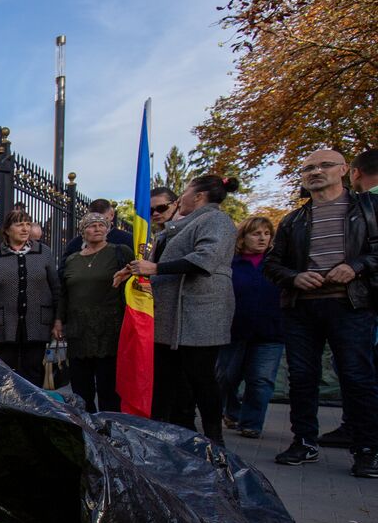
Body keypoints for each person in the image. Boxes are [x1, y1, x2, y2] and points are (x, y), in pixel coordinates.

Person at [262, 149, 378, 477]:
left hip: (351, 305)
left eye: (324, 165)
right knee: (301, 377)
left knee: (356, 376)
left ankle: (367, 448)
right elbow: (271, 264)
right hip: (302, 306)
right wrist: (294, 277)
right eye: (308, 168)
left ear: (344, 170)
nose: (316, 171)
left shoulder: (367, 208)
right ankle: (304, 441)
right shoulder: (293, 220)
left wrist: (356, 266)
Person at [117, 174, 238, 444]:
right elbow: (154, 264)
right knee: (166, 382)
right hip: (169, 321)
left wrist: (156, 268)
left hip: (198, 318)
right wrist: (133, 271)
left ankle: (215, 442)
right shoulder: (173, 230)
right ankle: (169, 436)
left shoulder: (215, 220)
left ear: (198, 196)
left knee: (200, 379)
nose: (181, 198)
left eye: (184, 193)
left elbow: (205, 258)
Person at [0, 205, 62, 385]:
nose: (25, 229)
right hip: (5, 323)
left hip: (37, 322)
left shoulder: (43, 252)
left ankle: (32, 410)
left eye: (27, 224)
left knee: (33, 369)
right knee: (6, 370)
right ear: (7, 230)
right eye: (19, 225)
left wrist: (58, 320)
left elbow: (56, 288)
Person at [216, 216, 283, 439]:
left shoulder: (276, 264)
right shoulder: (230, 264)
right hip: (234, 329)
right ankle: (231, 411)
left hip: (270, 330)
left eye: (266, 233)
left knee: (261, 379)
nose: (262, 238)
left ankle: (252, 422)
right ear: (243, 238)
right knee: (226, 377)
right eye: (256, 233)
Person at [59, 210, 131, 411]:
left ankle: (111, 430)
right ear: (83, 232)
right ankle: (87, 429)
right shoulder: (71, 259)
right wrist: (59, 320)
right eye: (91, 225)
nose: (97, 228)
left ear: (107, 229)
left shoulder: (120, 251)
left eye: (101, 225)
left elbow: (135, 282)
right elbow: (63, 292)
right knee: (82, 389)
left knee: (109, 387)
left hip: (109, 329)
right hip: (78, 330)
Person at [61, 198, 134, 259]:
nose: (97, 229)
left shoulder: (127, 241)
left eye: (102, 223)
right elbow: (64, 270)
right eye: (93, 223)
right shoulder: (76, 244)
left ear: (112, 215)